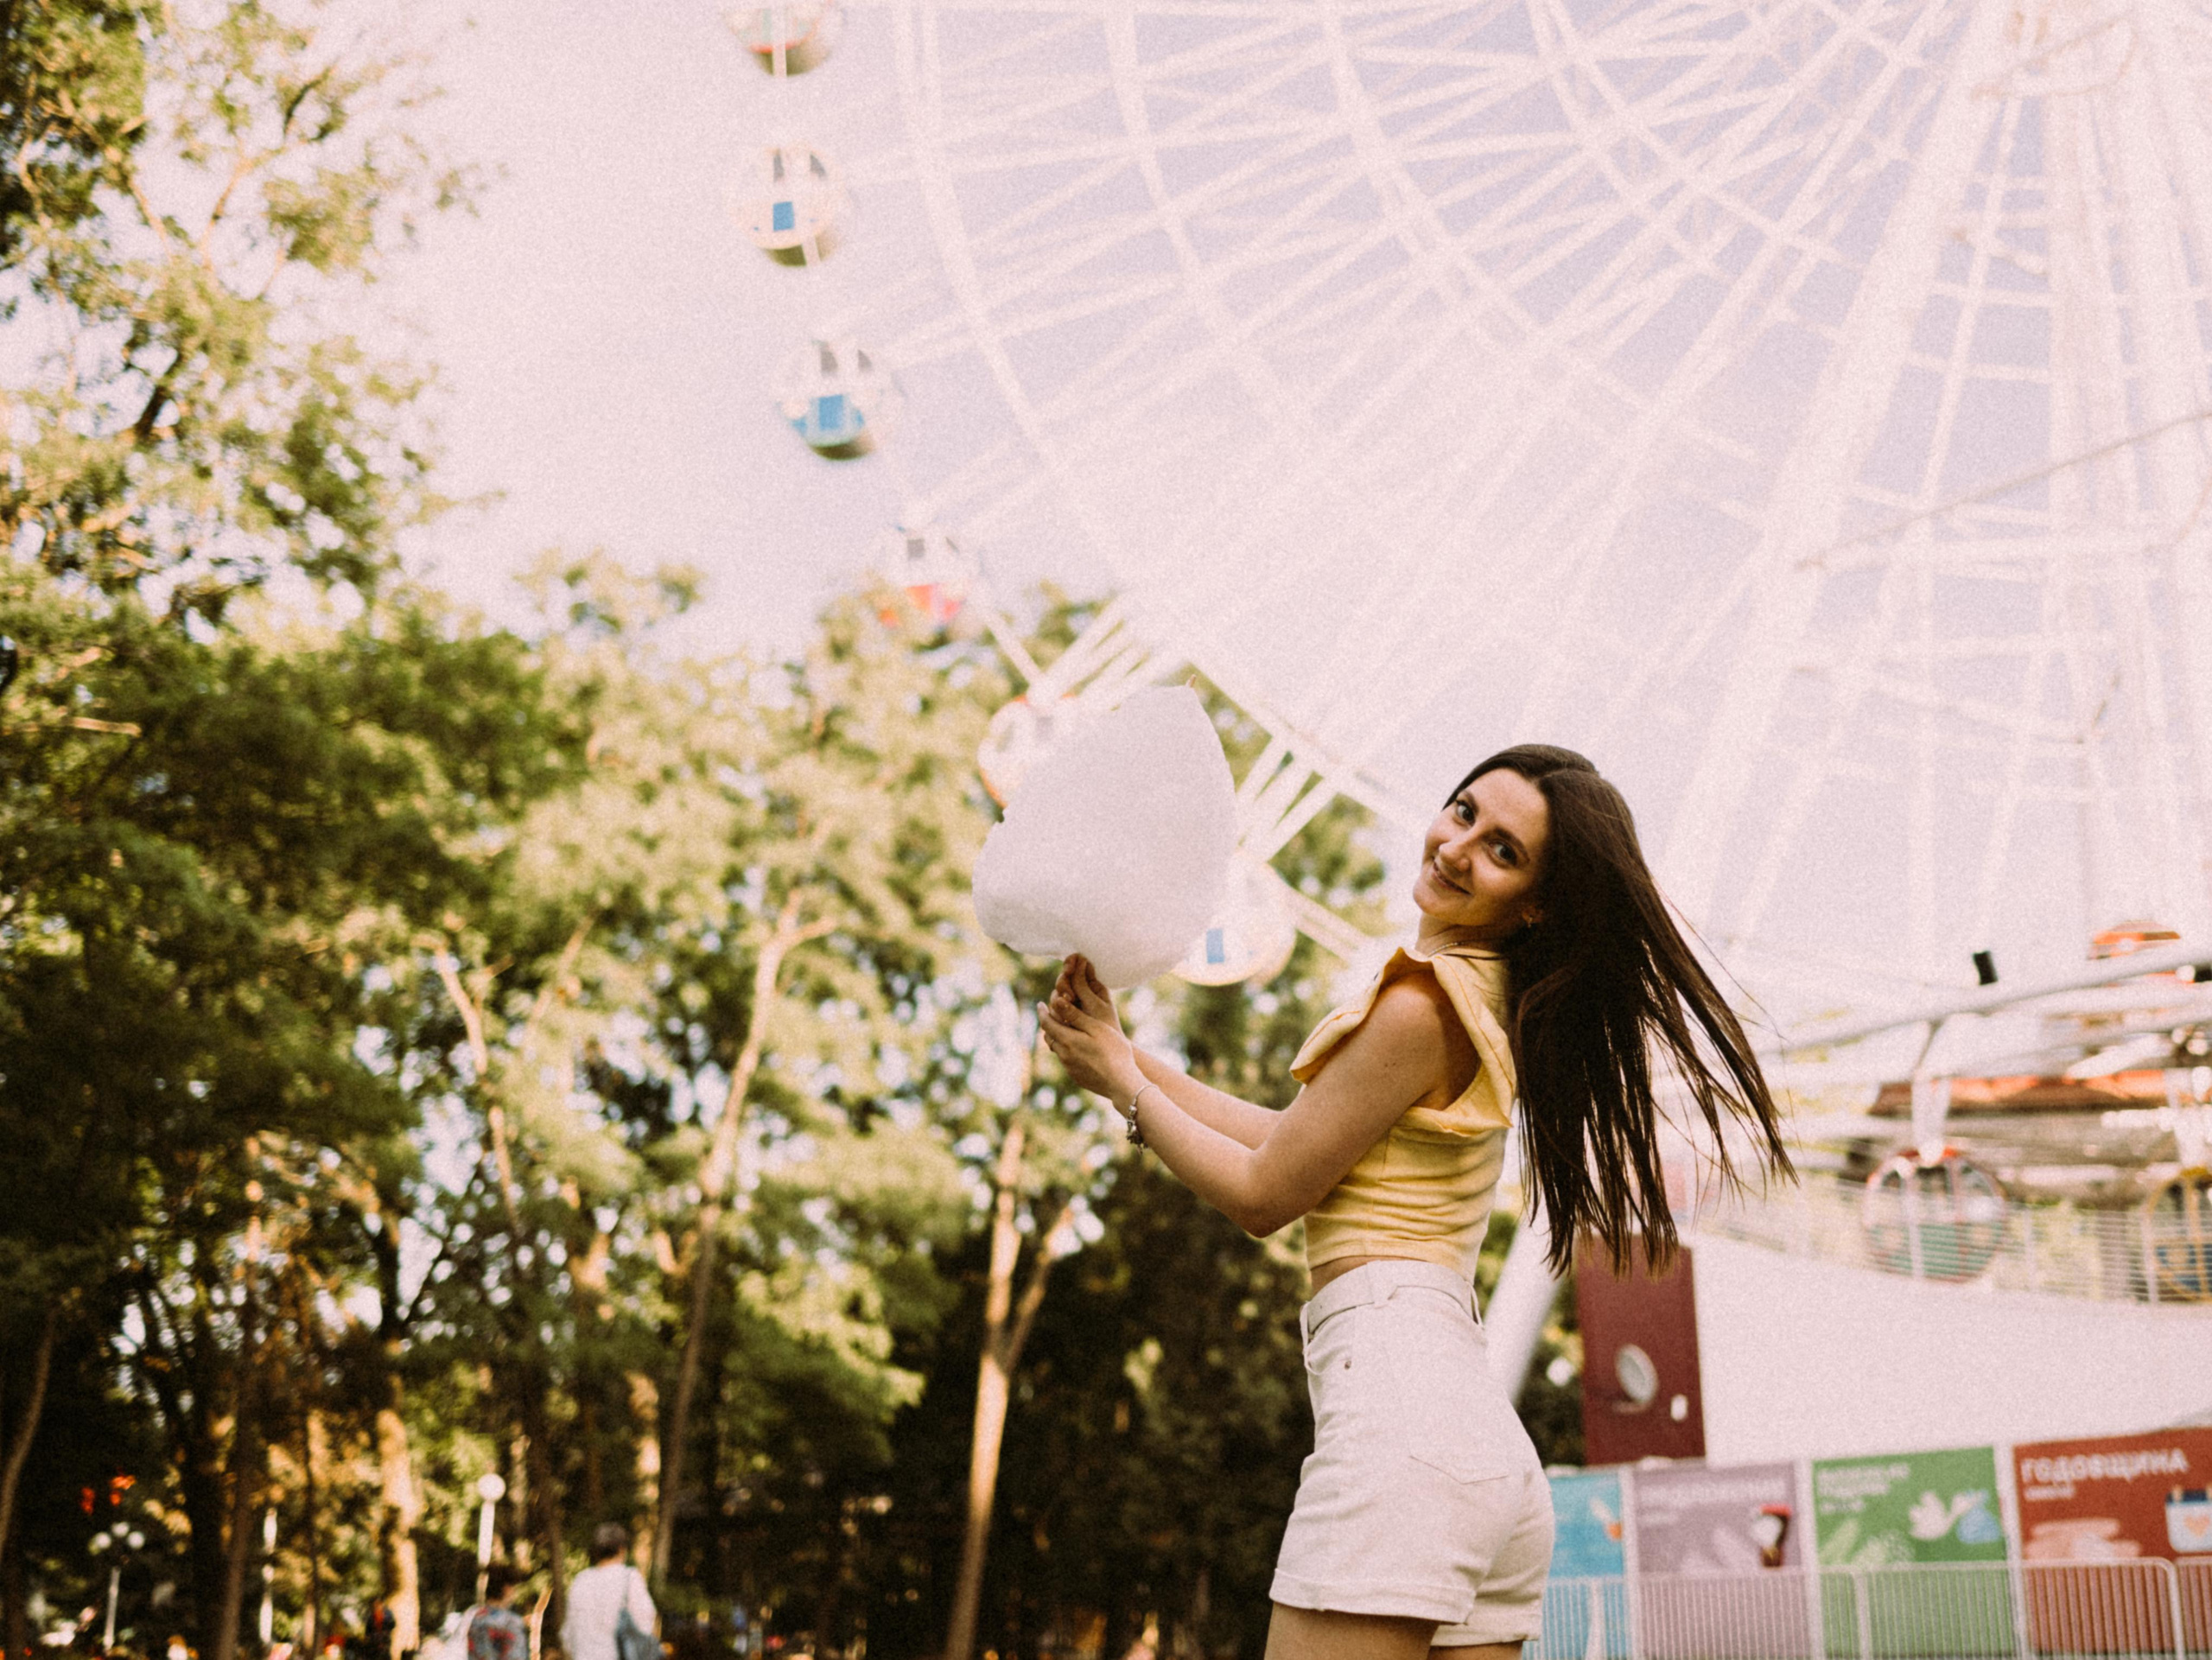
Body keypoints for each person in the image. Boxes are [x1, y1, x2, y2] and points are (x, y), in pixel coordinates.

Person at [1040, 744, 1791, 1660]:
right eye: (1463, 810)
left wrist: (1124, 1091)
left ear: (1536, 902)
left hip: (1399, 1427)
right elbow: (1293, 1133)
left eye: (1503, 850)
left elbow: (1264, 1193)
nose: (1457, 845)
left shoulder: (1421, 1004)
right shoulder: (1488, 1004)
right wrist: (1127, 1061)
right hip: (1481, 1458)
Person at [561, 1526, 656, 1660]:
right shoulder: (629, 1578)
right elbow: (645, 1625)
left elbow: (567, 1636)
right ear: (622, 1550)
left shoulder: (581, 1581)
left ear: (596, 1552)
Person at [467, 1568, 528, 1660]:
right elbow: (516, 1656)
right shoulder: (512, 1622)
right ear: (506, 1589)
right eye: (513, 1588)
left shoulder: (474, 1619)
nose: (514, 1593)